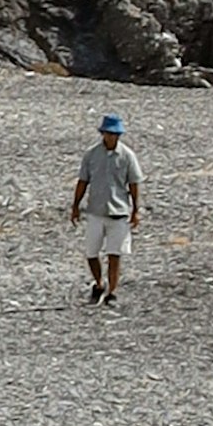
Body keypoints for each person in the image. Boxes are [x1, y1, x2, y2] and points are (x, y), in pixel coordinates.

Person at [70, 109, 142, 303]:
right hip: (96, 211)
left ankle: (112, 291)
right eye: (109, 133)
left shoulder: (127, 156)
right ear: (103, 134)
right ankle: (99, 283)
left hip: (119, 212)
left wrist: (136, 210)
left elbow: (134, 184)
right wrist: (75, 206)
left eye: (115, 134)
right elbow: (83, 181)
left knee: (114, 254)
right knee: (91, 253)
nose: (112, 137)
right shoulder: (91, 155)